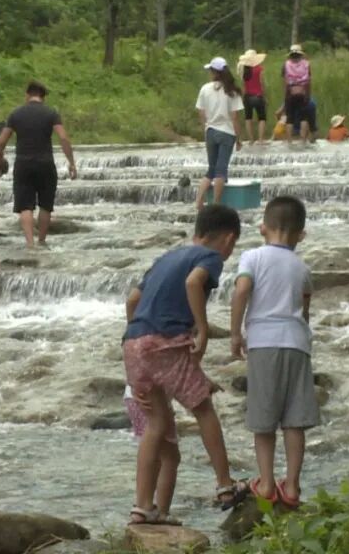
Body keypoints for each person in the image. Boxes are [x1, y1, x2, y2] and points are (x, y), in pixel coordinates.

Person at [124, 204, 247, 524]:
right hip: (165, 342)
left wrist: (139, 338)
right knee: (203, 408)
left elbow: (133, 301)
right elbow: (195, 283)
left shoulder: (166, 258)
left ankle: (143, 507)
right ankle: (225, 485)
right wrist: (202, 327)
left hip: (133, 343)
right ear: (229, 240)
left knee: (156, 426)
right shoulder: (210, 257)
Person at [229, 196, 317, 509]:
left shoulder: (252, 257)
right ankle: (291, 486)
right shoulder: (302, 268)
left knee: (264, 419)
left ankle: (266, 484)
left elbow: (241, 291)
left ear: (262, 227)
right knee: (294, 421)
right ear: (301, 235)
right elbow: (304, 313)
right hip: (296, 344)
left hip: (264, 343)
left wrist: (235, 333)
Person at [0, 81, 77, 249]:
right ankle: (42, 241)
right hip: (46, 163)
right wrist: (71, 162)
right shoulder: (51, 113)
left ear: (27, 95)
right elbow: (63, 138)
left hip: (23, 164)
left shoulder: (16, 114)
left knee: (25, 206)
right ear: (43, 97)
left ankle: (30, 244)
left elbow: (1, 141)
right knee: (46, 205)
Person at [122, 384, 182, 526]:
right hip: (152, 400)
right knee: (170, 457)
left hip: (135, 395)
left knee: (160, 452)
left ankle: (147, 506)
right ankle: (158, 511)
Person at [194, 57, 243, 211]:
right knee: (221, 171)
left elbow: (201, 112)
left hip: (211, 131)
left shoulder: (205, 89)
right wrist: (239, 138)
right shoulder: (232, 91)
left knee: (211, 170)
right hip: (227, 133)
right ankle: (215, 204)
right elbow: (235, 118)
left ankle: (199, 203)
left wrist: (206, 127)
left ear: (214, 72)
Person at [282, 44, 312, 146]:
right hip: (303, 93)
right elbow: (308, 81)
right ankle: (303, 140)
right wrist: (308, 94)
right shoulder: (306, 64)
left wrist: (286, 95)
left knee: (289, 118)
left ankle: (289, 141)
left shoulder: (286, 64)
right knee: (304, 117)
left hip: (291, 93)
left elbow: (285, 82)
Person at [238, 50, 268, 145]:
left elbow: (243, 86)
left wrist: (242, 98)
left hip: (248, 96)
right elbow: (262, 83)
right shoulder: (259, 69)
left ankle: (251, 139)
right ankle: (260, 139)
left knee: (248, 118)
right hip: (258, 96)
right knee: (262, 118)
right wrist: (265, 96)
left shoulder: (244, 70)